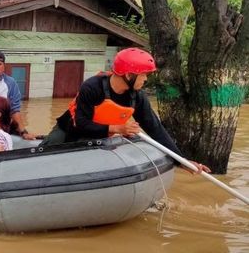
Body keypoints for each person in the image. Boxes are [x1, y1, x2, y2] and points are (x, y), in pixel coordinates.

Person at [39, 48, 210, 173]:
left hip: (97, 137)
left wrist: (182, 161)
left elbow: (155, 128)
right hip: (69, 130)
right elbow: (82, 124)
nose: (145, 80)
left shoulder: (137, 97)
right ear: (129, 75)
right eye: (143, 75)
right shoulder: (92, 87)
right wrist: (117, 129)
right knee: (41, 157)